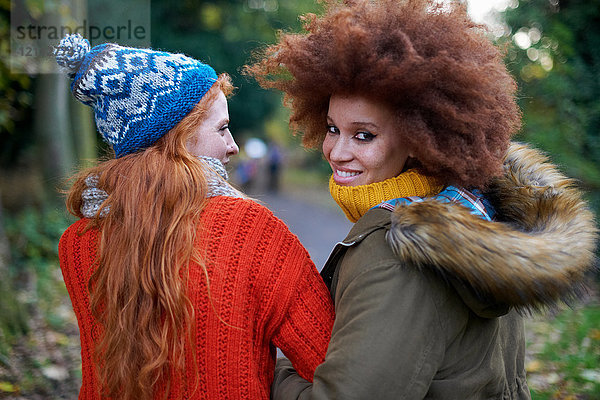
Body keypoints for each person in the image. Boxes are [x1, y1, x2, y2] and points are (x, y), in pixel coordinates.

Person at [246, 0, 599, 398]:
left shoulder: (400, 251)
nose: (336, 151)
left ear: (418, 140)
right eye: (332, 128)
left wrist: (269, 370)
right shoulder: (477, 213)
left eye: (364, 135)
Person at [55, 34, 334, 400]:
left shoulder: (77, 244)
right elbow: (329, 363)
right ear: (175, 138)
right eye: (221, 128)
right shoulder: (251, 230)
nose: (233, 145)